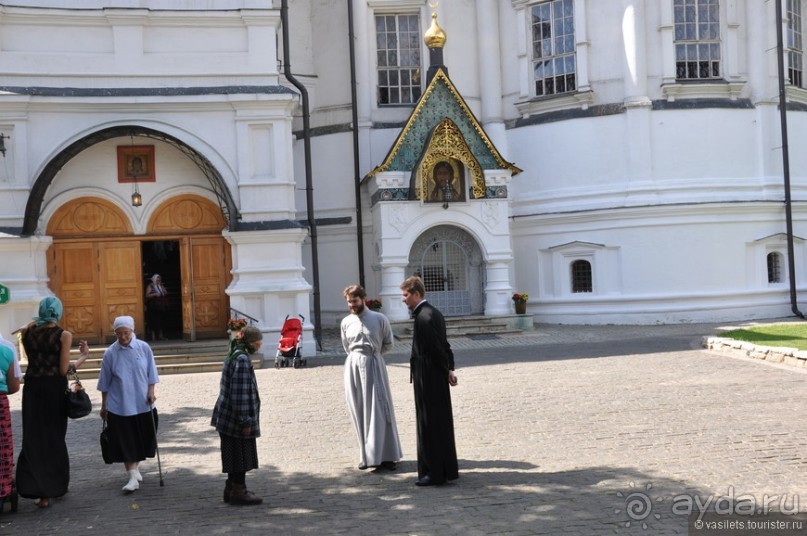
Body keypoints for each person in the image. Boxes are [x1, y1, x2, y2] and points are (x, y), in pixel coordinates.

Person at [16, 296, 90, 508]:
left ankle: (39, 492)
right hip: (53, 390)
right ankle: (52, 487)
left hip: (32, 389)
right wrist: (83, 357)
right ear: (58, 312)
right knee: (53, 437)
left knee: (33, 436)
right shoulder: (63, 335)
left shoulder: (27, 332)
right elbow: (62, 369)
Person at [400, 275, 459, 487]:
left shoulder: (424, 317)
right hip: (435, 374)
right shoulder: (432, 313)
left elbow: (436, 348)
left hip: (429, 375)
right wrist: (449, 369)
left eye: (406, 295)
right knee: (439, 422)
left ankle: (434, 472)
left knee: (430, 423)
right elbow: (445, 345)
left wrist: (445, 369)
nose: (403, 299)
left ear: (416, 294)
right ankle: (443, 469)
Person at [340, 284, 402, 472]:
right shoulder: (345, 322)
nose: (352, 305)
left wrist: (373, 356)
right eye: (349, 302)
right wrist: (358, 359)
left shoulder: (379, 319)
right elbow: (346, 346)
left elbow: (388, 344)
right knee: (359, 410)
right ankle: (366, 455)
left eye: (355, 301)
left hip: (374, 364)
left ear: (363, 299)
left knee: (379, 408)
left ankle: (387, 456)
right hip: (353, 368)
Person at [97, 316, 159, 493]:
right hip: (120, 405)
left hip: (142, 403)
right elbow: (104, 382)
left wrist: (151, 391)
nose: (123, 337)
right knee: (126, 441)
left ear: (132, 331)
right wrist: (104, 406)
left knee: (143, 438)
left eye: (126, 333)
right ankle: (132, 476)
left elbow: (151, 372)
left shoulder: (143, 348)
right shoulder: (110, 353)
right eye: (119, 334)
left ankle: (135, 468)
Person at [211, 326, 264, 506]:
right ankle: (239, 491)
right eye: (258, 341)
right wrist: (245, 421)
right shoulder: (241, 360)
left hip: (226, 417)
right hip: (235, 420)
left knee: (233, 455)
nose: (260, 344)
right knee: (240, 456)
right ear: (251, 342)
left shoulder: (235, 353)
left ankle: (231, 489)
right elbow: (239, 394)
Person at [0, 334, 20, 513]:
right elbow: (14, 386)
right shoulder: (6, 351)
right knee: (3, 446)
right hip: (0, 402)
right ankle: (3, 488)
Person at [145, 274, 168, 341]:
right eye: (157, 280)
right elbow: (147, 295)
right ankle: (153, 337)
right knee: (153, 321)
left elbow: (165, 293)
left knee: (161, 321)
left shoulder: (160, 286)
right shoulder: (150, 286)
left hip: (161, 306)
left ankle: (161, 336)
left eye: (159, 280)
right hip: (153, 306)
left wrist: (162, 287)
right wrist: (154, 294)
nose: (158, 281)